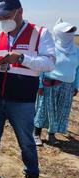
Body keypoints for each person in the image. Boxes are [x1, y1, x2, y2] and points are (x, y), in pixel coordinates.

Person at [0, 0, 56, 178]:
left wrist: (22, 58)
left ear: (20, 11)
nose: (3, 19)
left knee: (26, 142)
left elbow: (49, 63)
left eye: (6, 15)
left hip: (22, 101)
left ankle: (32, 173)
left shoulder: (40, 33)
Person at [34, 18, 79, 146]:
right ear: (59, 33)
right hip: (49, 84)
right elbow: (42, 66)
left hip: (67, 86)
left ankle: (51, 134)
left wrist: (76, 86)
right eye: (67, 32)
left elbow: (78, 69)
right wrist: (40, 85)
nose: (70, 34)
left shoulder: (76, 50)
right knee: (43, 110)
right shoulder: (50, 48)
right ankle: (36, 133)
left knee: (59, 112)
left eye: (72, 31)